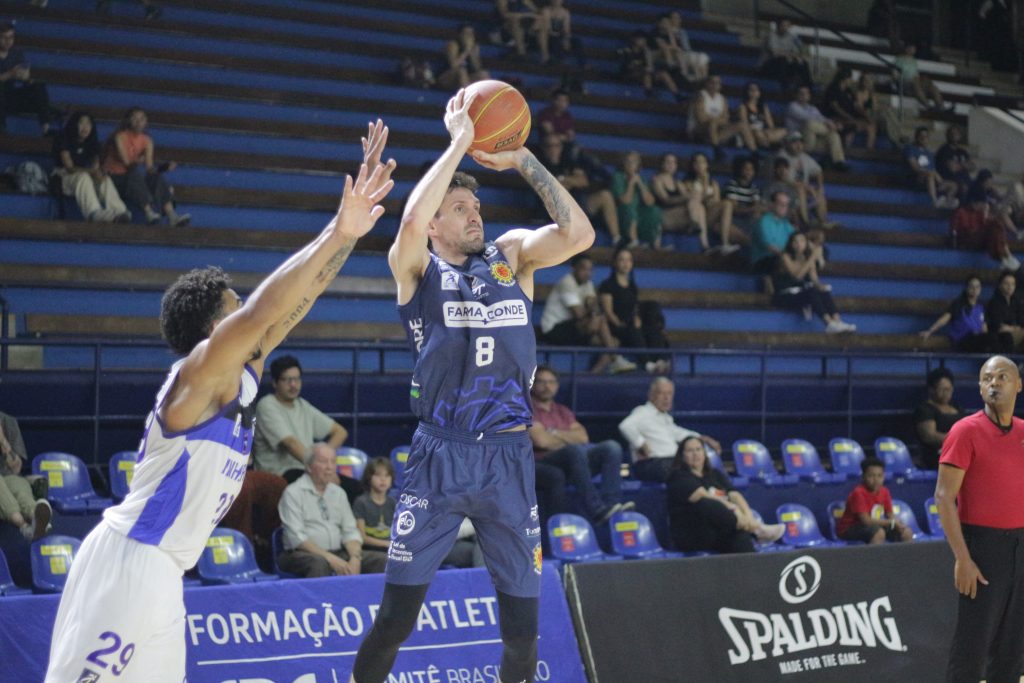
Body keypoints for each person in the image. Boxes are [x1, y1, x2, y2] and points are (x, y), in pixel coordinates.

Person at [43, 120, 395, 682]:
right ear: (213, 326)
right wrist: (334, 229)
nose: (247, 310)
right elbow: (261, 311)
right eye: (234, 304)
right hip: (128, 562)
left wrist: (349, 234)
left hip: (165, 576)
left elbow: (295, 302)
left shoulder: (245, 375)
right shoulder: (198, 372)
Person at [348, 87, 596, 683]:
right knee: (395, 620)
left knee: (521, 634)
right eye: (459, 208)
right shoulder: (417, 271)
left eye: (475, 207)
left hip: (510, 457)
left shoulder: (509, 257)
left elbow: (580, 235)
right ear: (436, 223)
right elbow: (408, 219)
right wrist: (461, 138)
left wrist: (521, 160)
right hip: (440, 457)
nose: (474, 214)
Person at [934, 355, 1024, 683]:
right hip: (983, 549)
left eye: (1002, 377)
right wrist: (963, 559)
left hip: (1020, 545)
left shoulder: (1023, 432)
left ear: (1018, 385)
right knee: (972, 646)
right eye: (987, 378)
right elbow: (943, 497)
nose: (993, 383)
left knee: (1013, 647)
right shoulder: (965, 431)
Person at [529, 365, 632, 524]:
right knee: (574, 450)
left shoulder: (562, 410)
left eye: (551, 382)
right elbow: (541, 441)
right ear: (533, 384)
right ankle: (596, 510)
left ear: (556, 385)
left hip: (574, 463)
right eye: (542, 382)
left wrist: (553, 433)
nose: (547, 386)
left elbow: (583, 437)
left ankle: (612, 504)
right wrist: (567, 437)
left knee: (611, 447)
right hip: (541, 462)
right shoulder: (528, 409)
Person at [278, 444, 388, 578]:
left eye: (333, 462)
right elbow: (297, 538)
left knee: (382, 560)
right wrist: (329, 558)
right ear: (309, 466)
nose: (330, 467)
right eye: (323, 462)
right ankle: (321, 600)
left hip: (338, 552)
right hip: (301, 553)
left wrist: (355, 557)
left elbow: (350, 530)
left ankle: (375, 600)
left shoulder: (338, 493)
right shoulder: (293, 493)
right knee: (319, 563)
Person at [354, 456, 483, 569]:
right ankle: (486, 586)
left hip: (449, 543)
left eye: (386, 476)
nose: (383, 480)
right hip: (428, 547)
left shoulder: (392, 502)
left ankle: (484, 585)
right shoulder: (420, 497)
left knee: (484, 544)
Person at [667, 436, 784, 553]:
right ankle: (757, 530)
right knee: (706, 504)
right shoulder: (678, 476)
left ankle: (751, 566)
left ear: (704, 452)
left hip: (718, 530)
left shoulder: (715, 474)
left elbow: (735, 495)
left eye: (698, 449)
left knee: (740, 537)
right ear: (682, 456)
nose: (695, 454)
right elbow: (703, 496)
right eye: (690, 450)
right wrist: (732, 508)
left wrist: (748, 516)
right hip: (692, 533)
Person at [252, 354, 350, 483]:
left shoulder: (302, 405)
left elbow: (340, 432)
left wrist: (325, 461)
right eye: (287, 380)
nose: (293, 385)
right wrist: (319, 467)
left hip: (307, 469)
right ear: (275, 383)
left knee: (356, 488)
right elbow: (291, 444)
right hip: (279, 475)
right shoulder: (266, 405)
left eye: (297, 379)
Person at [539, 252, 636, 374]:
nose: (587, 273)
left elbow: (592, 304)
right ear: (574, 268)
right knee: (600, 321)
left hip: (574, 329)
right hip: (554, 330)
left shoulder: (588, 283)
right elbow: (579, 313)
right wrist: (593, 311)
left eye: (590, 269)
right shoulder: (567, 283)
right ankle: (615, 359)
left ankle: (593, 374)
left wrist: (593, 310)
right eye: (583, 269)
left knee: (612, 342)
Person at [619, 377, 722, 483]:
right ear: (651, 395)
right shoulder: (643, 411)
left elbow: (680, 433)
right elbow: (625, 426)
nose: (666, 398)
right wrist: (640, 444)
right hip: (652, 464)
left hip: (670, 463)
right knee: (687, 466)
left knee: (705, 466)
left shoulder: (665, 418)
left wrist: (705, 439)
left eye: (669, 394)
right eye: (662, 393)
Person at [102, 107, 191, 226]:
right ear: (128, 121)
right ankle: (148, 212)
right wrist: (138, 161)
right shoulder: (120, 137)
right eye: (135, 119)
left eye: (142, 119)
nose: (139, 122)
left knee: (156, 178)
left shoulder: (147, 140)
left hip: (132, 180)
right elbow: (128, 164)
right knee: (134, 174)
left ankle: (172, 216)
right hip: (114, 179)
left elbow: (149, 169)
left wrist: (163, 168)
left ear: (146, 122)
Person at [536, 134, 622, 245]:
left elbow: (583, 181)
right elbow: (553, 188)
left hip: (579, 205)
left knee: (605, 195)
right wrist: (570, 181)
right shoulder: (540, 165)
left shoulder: (568, 161)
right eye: (549, 146)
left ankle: (617, 239)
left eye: (556, 145)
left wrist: (562, 179)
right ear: (544, 148)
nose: (553, 149)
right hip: (556, 211)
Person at [53, 111, 131, 223]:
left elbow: (95, 167)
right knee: (83, 176)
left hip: (85, 176)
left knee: (105, 179)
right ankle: (94, 213)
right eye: (81, 123)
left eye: (88, 124)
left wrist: (99, 174)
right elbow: (69, 168)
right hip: (62, 177)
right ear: (74, 125)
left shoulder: (93, 143)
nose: (85, 127)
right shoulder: (62, 139)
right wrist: (92, 172)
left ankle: (120, 212)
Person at [772, 231, 856, 333]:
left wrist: (821, 286)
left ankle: (837, 321)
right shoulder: (785, 257)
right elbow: (797, 276)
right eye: (795, 242)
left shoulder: (807, 259)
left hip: (801, 293)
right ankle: (828, 323)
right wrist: (812, 257)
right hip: (785, 295)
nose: (799, 244)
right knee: (811, 291)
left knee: (823, 291)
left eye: (802, 241)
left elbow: (814, 279)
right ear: (791, 244)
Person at [834, 456, 913, 544]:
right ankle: (874, 558)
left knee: (906, 532)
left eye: (879, 476)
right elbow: (866, 521)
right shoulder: (858, 493)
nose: (876, 480)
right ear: (863, 477)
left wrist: (898, 524)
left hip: (874, 526)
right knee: (879, 533)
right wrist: (891, 522)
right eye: (871, 476)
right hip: (849, 528)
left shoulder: (885, 491)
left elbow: (890, 514)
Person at [0, 410, 50, 541]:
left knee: (19, 487)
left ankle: (37, 517)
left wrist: (3, 441)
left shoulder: (8, 422)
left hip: (8, 475)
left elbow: (16, 468)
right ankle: (24, 526)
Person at [0, 21, 55, 135]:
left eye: (11, 37)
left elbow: (25, 78)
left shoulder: (16, 53)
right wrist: (10, 74)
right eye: (4, 37)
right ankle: (2, 128)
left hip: (11, 95)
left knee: (39, 87)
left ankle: (46, 127)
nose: (8, 41)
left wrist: (26, 77)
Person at [775, 131, 836, 228]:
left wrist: (820, 186)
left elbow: (818, 171)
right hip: (785, 190)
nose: (798, 145)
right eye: (794, 142)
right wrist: (805, 187)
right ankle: (805, 222)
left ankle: (823, 221)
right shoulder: (782, 155)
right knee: (801, 190)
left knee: (819, 193)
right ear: (787, 143)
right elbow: (783, 178)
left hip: (803, 189)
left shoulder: (804, 157)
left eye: (800, 142)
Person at [687, 75, 755, 161]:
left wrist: (715, 119)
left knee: (741, 125)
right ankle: (716, 150)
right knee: (712, 122)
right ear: (707, 83)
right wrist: (717, 119)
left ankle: (754, 152)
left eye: (718, 83)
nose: (715, 85)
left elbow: (726, 118)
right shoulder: (700, 96)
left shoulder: (722, 98)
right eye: (712, 82)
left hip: (715, 132)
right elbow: (701, 118)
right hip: (698, 131)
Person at [951, 187, 1020, 271]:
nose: (983, 205)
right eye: (982, 203)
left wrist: (985, 214)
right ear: (973, 202)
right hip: (967, 239)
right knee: (995, 226)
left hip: (981, 239)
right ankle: (1005, 257)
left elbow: (986, 225)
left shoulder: (980, 212)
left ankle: (1006, 257)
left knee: (996, 226)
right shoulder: (961, 212)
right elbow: (955, 230)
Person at [784, 86, 848, 171]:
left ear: (809, 96)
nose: (804, 95)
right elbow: (806, 117)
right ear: (796, 95)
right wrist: (832, 125)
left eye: (806, 93)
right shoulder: (792, 106)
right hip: (797, 141)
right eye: (801, 93)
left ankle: (838, 163)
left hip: (812, 141)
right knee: (810, 124)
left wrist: (830, 122)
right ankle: (833, 128)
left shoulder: (812, 108)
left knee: (833, 135)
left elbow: (822, 118)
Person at [919, 274, 988, 352]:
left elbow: (983, 326)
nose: (974, 289)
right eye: (972, 286)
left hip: (977, 339)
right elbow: (945, 318)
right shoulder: (959, 304)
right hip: (962, 340)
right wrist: (930, 331)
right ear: (967, 288)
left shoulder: (981, 307)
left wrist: (986, 337)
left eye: (977, 287)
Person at [598, 247, 647, 353]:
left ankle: (660, 360)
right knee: (633, 332)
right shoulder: (607, 285)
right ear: (615, 262)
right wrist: (621, 325)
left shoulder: (632, 286)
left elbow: (635, 308)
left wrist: (637, 319)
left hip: (630, 324)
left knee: (652, 331)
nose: (626, 263)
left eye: (629, 260)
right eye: (622, 260)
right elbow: (608, 313)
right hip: (615, 326)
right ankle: (648, 363)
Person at [913, 367, 964, 470]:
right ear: (931, 389)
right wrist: (958, 440)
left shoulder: (957, 407)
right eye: (942, 389)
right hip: (936, 456)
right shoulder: (925, 409)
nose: (946, 393)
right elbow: (929, 436)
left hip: (959, 451)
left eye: (949, 389)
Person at [611, 150, 662, 249]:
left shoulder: (641, 179)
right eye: (628, 161)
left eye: (634, 162)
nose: (630, 164)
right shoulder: (617, 177)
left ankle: (654, 244)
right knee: (630, 208)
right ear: (624, 163)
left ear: (638, 165)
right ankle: (633, 240)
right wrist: (631, 183)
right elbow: (625, 201)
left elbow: (650, 202)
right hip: (621, 214)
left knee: (655, 210)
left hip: (639, 215)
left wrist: (641, 185)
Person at [750, 190, 797, 293]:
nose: (783, 207)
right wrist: (787, 256)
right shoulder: (764, 221)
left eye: (786, 205)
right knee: (783, 258)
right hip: (762, 261)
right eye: (780, 204)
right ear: (772, 204)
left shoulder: (785, 223)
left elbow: (797, 237)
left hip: (779, 259)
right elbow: (770, 247)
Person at [904, 126, 959, 208]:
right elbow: (915, 167)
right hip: (916, 178)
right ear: (916, 137)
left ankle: (947, 202)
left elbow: (933, 169)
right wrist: (930, 173)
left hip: (931, 179)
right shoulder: (910, 149)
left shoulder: (929, 153)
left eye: (926, 136)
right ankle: (934, 201)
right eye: (921, 136)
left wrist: (939, 179)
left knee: (953, 185)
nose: (923, 138)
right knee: (930, 175)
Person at [824, 67, 877, 151]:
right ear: (845, 79)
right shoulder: (833, 88)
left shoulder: (848, 90)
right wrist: (848, 117)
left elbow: (856, 106)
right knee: (852, 126)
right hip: (835, 118)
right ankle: (847, 150)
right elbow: (835, 107)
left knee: (870, 126)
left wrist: (866, 117)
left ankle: (869, 151)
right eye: (850, 78)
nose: (851, 81)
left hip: (849, 118)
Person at [618, 30, 680, 100]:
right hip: (631, 74)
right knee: (647, 74)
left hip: (644, 74)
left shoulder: (646, 51)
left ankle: (677, 95)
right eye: (641, 39)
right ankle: (649, 93)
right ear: (635, 40)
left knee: (663, 74)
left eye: (644, 39)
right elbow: (627, 66)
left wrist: (648, 56)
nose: (644, 41)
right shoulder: (627, 51)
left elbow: (649, 66)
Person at [682, 151, 724, 253]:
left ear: (707, 165)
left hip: (711, 213)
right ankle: (705, 245)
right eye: (697, 162)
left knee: (727, 204)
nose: (700, 165)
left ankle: (724, 243)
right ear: (693, 166)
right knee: (699, 206)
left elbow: (716, 202)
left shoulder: (714, 184)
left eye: (703, 162)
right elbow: (698, 200)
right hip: (696, 212)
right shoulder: (688, 182)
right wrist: (705, 183)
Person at [719, 155, 760, 253]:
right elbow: (735, 209)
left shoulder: (754, 188)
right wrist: (752, 209)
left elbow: (757, 207)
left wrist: (755, 210)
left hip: (748, 221)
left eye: (751, 169)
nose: (749, 172)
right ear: (740, 170)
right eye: (746, 169)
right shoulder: (732, 185)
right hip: (733, 220)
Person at [758, 19, 812, 92]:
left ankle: (807, 87)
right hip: (768, 65)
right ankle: (784, 86)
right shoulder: (771, 36)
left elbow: (795, 52)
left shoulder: (791, 37)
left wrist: (798, 58)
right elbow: (775, 53)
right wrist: (789, 55)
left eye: (787, 26)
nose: (785, 28)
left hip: (784, 63)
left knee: (803, 63)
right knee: (782, 59)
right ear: (778, 26)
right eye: (783, 26)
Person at [893, 42, 947, 111]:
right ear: (906, 49)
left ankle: (941, 106)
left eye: (913, 48)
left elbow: (916, 75)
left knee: (931, 85)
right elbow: (895, 76)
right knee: (915, 83)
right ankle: (928, 106)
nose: (912, 50)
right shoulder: (899, 59)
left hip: (916, 83)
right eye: (910, 48)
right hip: (905, 84)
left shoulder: (914, 61)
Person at [738, 81, 787, 154]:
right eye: (751, 90)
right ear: (747, 92)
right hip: (752, 131)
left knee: (784, 131)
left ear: (759, 92)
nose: (754, 92)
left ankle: (766, 142)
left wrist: (770, 132)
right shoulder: (743, 106)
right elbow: (744, 123)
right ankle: (767, 145)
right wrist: (756, 130)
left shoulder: (764, 107)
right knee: (758, 133)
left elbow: (770, 124)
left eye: (756, 90)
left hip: (764, 132)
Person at [437, 24, 490, 90]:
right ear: (460, 35)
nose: (469, 36)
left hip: (465, 78)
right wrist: (466, 50)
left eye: (471, 34)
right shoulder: (453, 45)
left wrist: (472, 53)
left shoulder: (474, 47)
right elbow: (453, 65)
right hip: (446, 77)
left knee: (484, 74)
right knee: (461, 71)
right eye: (466, 34)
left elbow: (477, 68)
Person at [651, 152, 691, 235]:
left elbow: (687, 197)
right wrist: (686, 197)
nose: (671, 165)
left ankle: (704, 242)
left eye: (673, 162)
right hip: (664, 215)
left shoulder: (678, 183)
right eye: (668, 162)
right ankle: (703, 242)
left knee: (696, 206)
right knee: (694, 207)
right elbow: (665, 200)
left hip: (679, 214)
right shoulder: (657, 180)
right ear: (662, 164)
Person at [665, 10, 710, 84]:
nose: (677, 20)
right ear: (670, 19)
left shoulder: (682, 31)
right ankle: (695, 77)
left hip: (685, 51)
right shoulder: (668, 31)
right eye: (675, 18)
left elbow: (686, 46)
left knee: (703, 57)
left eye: (678, 18)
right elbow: (672, 45)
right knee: (692, 58)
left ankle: (703, 79)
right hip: (676, 53)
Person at [536, 0, 585, 67]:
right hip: (548, 35)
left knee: (576, 41)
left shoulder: (565, 12)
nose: (556, 1)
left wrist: (566, 39)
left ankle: (582, 63)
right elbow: (547, 27)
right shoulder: (546, 10)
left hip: (559, 34)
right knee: (555, 39)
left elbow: (566, 29)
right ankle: (560, 60)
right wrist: (556, 34)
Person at [985, 270, 1024, 352]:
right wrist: (1015, 328)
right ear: (1000, 285)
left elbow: (1021, 321)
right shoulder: (994, 302)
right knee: (1006, 337)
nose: (1010, 286)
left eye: (1013, 284)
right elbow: (998, 325)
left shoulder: (1016, 302)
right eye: (1007, 283)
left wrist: (1012, 328)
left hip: (1015, 332)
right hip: (999, 335)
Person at [936, 125, 975, 202]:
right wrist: (964, 165)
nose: (954, 135)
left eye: (956, 133)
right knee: (963, 187)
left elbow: (973, 167)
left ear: (960, 136)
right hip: (950, 179)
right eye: (952, 133)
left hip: (965, 178)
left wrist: (960, 165)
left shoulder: (962, 151)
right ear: (947, 135)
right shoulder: (944, 150)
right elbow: (952, 168)